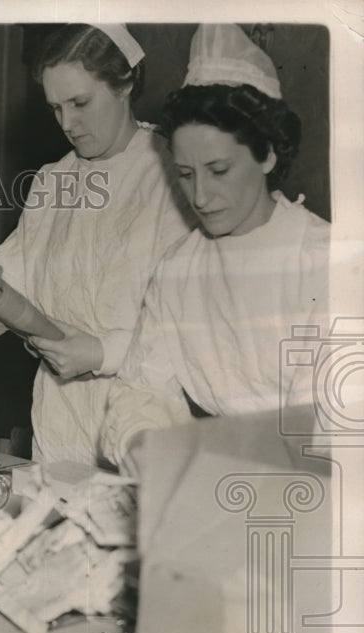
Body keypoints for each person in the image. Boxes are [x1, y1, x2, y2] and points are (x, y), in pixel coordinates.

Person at [0, 24, 194, 468]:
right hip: (59, 422)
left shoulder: (173, 175)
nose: (67, 124)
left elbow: (195, 326)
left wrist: (101, 352)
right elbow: (11, 278)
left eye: (80, 103)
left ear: (126, 82)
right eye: (55, 108)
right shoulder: (53, 181)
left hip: (145, 419)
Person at [100, 24, 328, 476]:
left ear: (267, 156)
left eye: (218, 170)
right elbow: (143, 389)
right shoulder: (179, 270)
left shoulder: (326, 261)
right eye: (185, 174)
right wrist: (144, 444)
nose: (200, 196)